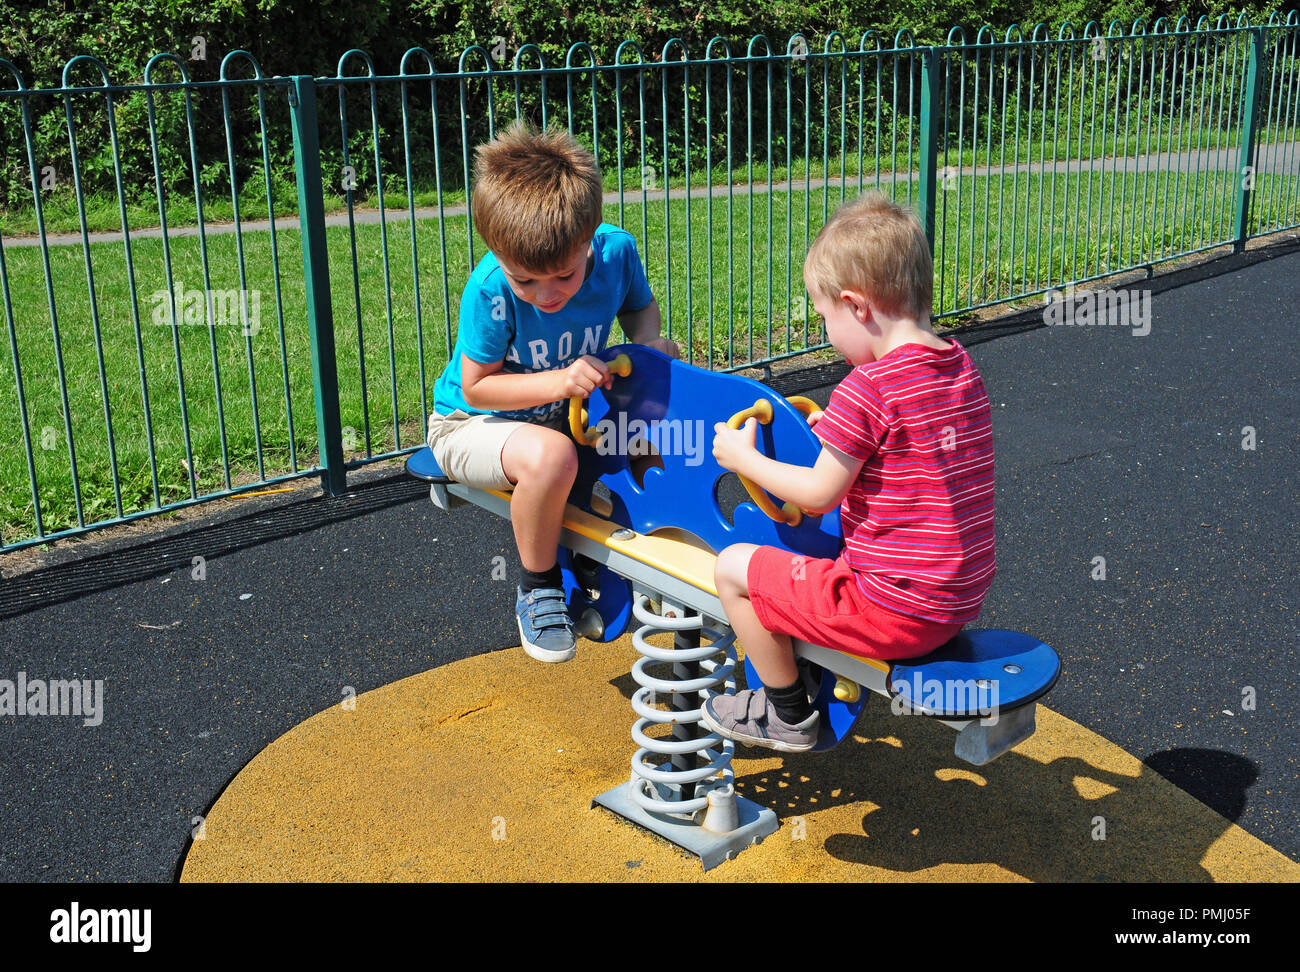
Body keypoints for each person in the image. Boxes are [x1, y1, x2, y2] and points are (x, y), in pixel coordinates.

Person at [701, 192, 996, 752]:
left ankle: (784, 711)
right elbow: (911, 462)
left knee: (735, 568)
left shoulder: (868, 387)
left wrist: (746, 459)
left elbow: (815, 496)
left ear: (857, 306)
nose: (829, 337)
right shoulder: (960, 367)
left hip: (893, 609)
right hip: (956, 601)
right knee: (815, 561)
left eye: (825, 317)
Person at [427, 120, 678, 663]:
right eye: (526, 280)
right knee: (553, 455)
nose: (546, 295)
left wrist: (648, 342)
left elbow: (638, 307)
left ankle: (591, 557)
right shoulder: (490, 290)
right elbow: (479, 387)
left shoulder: (615, 254)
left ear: (589, 239)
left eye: (564, 276)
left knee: (650, 424)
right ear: (497, 255)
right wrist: (562, 380)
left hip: (563, 417)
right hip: (470, 422)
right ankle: (538, 586)